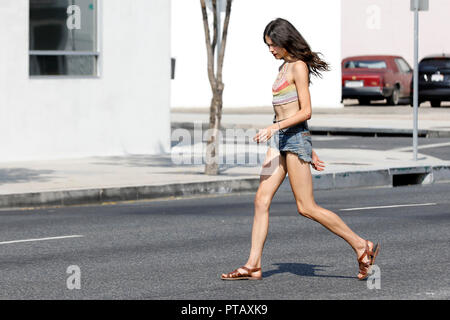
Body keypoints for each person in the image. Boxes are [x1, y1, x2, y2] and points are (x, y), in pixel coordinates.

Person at [221, 18, 379, 281]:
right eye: (268, 46)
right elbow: (288, 110)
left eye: (272, 45)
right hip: (279, 141)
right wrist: (280, 133)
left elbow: (306, 111)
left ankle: (362, 245)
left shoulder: (298, 67)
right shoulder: (283, 66)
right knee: (261, 199)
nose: (270, 50)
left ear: (284, 41)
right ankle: (253, 265)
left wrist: (287, 135)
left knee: (306, 207)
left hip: (292, 139)